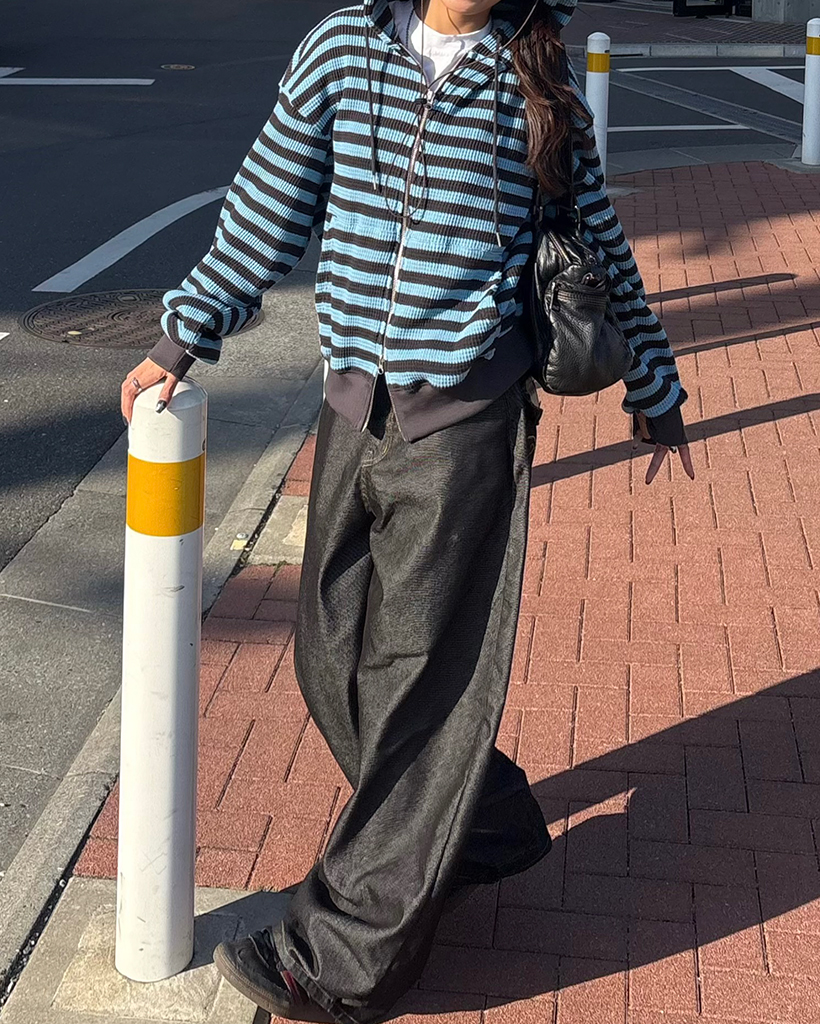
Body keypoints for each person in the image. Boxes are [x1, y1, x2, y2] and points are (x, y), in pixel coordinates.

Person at [121, 0, 694, 1020]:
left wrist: (653, 384)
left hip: (468, 421)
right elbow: (267, 204)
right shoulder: (344, 47)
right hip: (354, 407)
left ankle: (342, 957)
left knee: (420, 679)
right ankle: (480, 823)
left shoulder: (533, 81)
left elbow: (598, 243)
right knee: (329, 655)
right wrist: (184, 335)